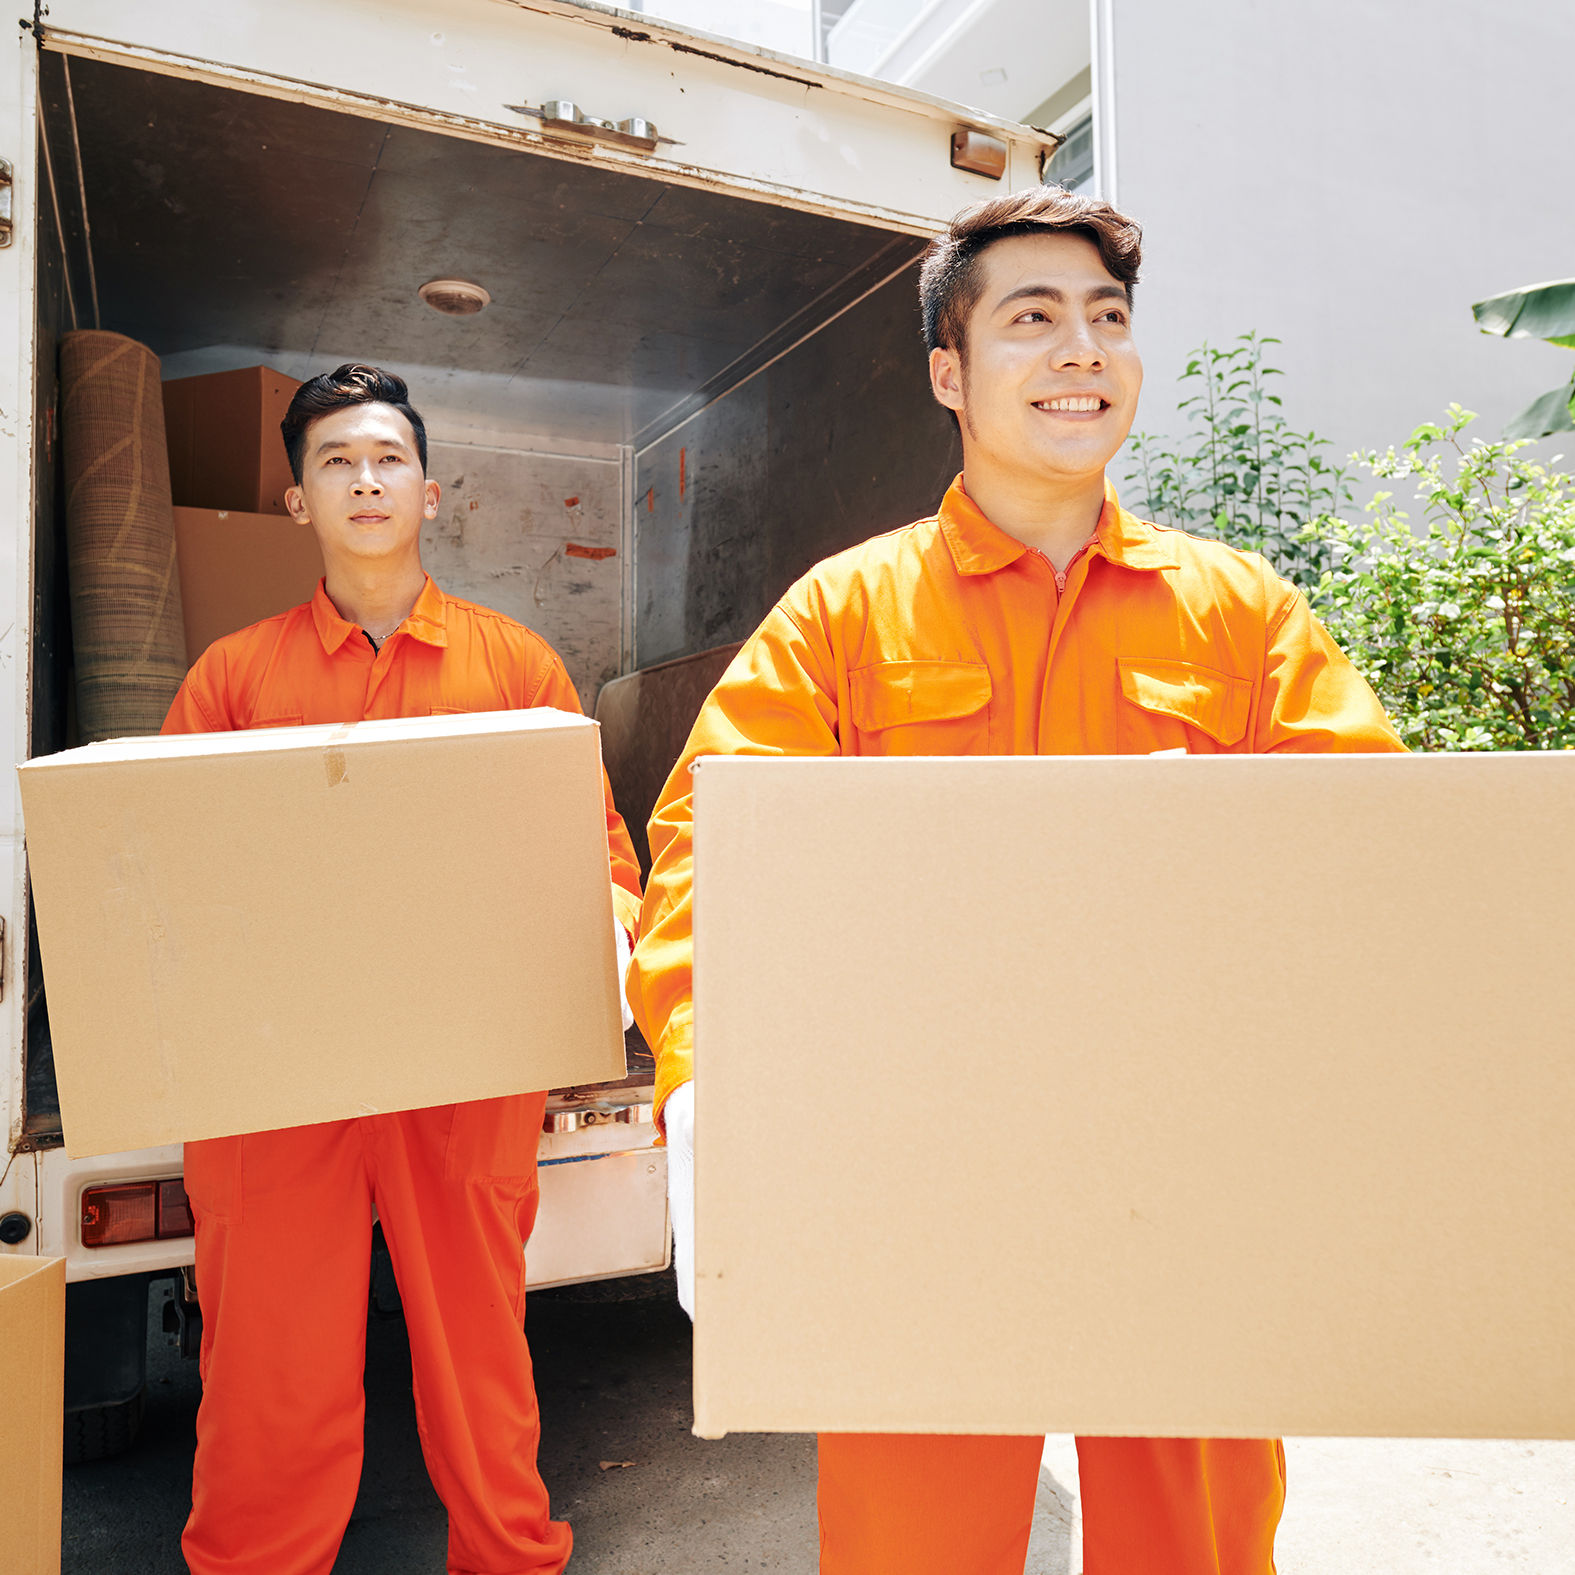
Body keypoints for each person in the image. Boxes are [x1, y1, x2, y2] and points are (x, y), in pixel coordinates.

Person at [627, 187, 1404, 1574]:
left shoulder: (1236, 613)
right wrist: (704, 1083)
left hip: (1181, 1155)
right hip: (923, 1149)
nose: (1080, 351)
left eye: (1106, 320)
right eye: (1031, 320)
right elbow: (709, 843)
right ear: (947, 370)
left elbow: (1369, 849)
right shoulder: (845, 612)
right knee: (911, 1537)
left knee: (1199, 1538)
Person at [163, 364, 642, 1575]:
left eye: (387, 459)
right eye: (336, 462)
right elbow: (165, 879)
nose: (365, 480)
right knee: (267, 1359)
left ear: (431, 492)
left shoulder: (519, 671)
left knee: (479, 1348)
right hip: (278, 1082)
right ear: (296, 501)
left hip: (463, 1071)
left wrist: (611, 932)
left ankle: (507, 1556)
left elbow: (599, 859)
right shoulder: (230, 679)